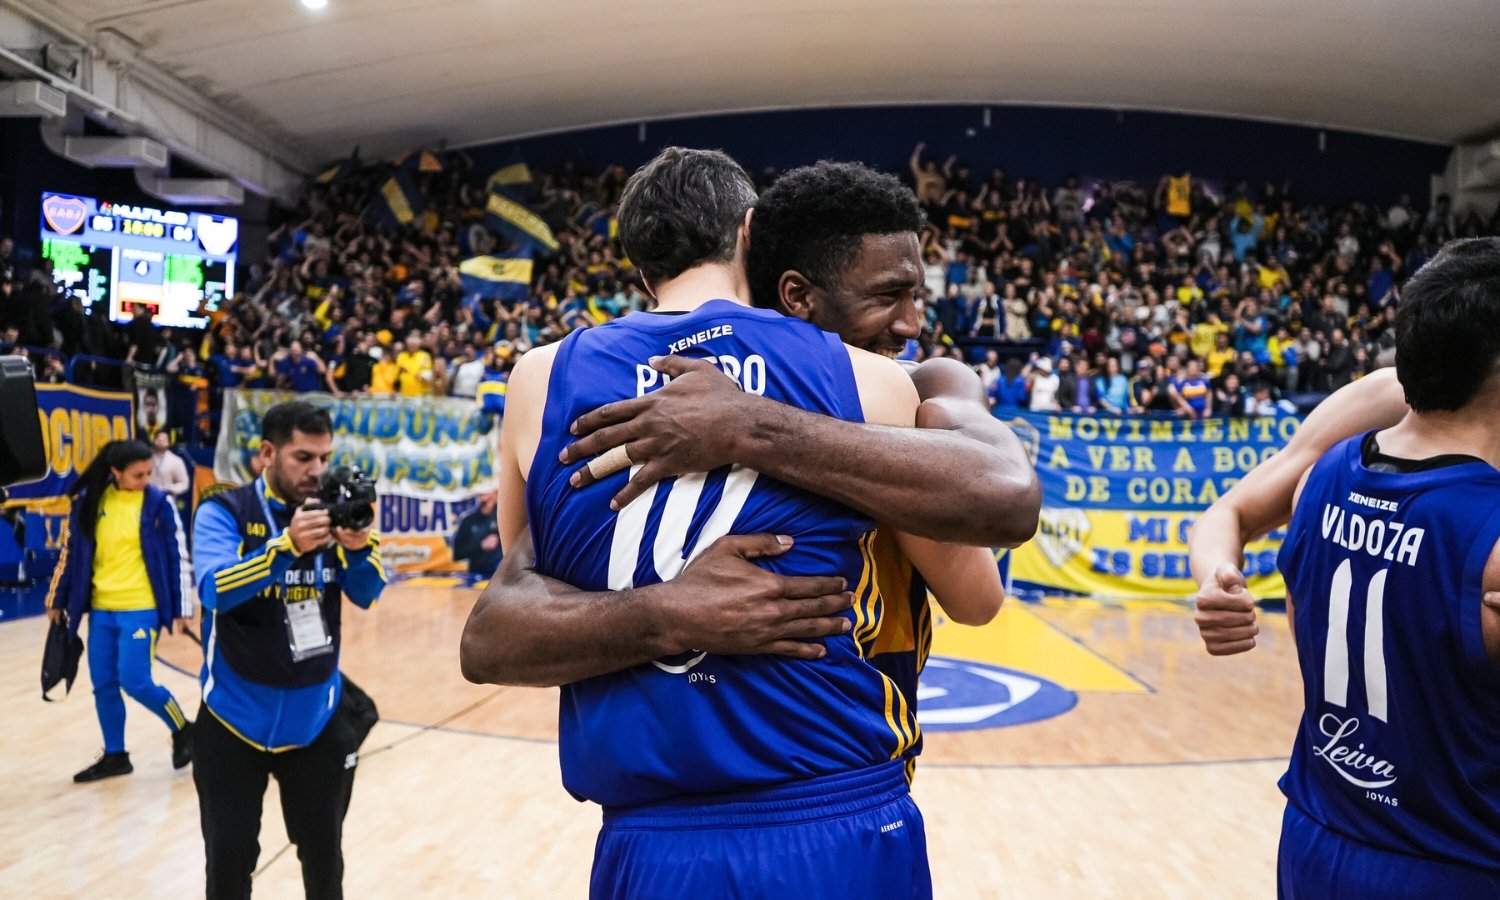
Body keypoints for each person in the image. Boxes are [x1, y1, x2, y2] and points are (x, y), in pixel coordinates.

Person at [463, 150, 1019, 899]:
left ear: (636, 265)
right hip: (835, 816)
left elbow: (515, 596)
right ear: (750, 235)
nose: (911, 322)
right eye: (895, 294)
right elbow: (980, 591)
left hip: (646, 840)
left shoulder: (539, 377)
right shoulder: (875, 384)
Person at [1192, 238, 1500, 895]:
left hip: (1319, 833)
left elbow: (1237, 509)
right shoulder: (1479, 523)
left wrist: (1215, 575)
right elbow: (1230, 513)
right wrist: (1214, 575)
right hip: (1456, 860)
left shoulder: (1323, 475)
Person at [190, 401, 386, 899]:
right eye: (303, 457)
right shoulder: (223, 510)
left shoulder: (333, 508)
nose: (316, 471)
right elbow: (213, 589)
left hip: (315, 723)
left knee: (325, 865)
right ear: (266, 454)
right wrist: (286, 548)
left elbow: (368, 592)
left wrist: (359, 547)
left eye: (323, 458)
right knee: (229, 867)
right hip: (233, 723)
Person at [45, 439, 194, 782]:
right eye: (138, 474)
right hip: (102, 611)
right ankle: (116, 755)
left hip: (141, 608)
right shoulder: (90, 503)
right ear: (115, 472)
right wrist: (57, 597)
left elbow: (178, 555)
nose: (146, 480)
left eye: (148, 473)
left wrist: (183, 606)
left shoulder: (158, 504)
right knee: (104, 685)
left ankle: (184, 727)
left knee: (136, 681)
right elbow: (71, 554)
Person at [451, 491, 502, 579]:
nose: (485, 492)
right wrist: (481, 545)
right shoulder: (468, 521)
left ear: (496, 493)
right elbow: (457, 554)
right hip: (475, 575)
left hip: (500, 576)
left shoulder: (504, 518)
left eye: (489, 490)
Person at [148, 430, 191, 503]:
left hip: (167, 500)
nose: (161, 441)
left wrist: (170, 489)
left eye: (164, 439)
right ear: (154, 440)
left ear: (168, 442)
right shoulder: (146, 459)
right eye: (158, 439)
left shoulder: (176, 461)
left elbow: (184, 483)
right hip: (148, 500)